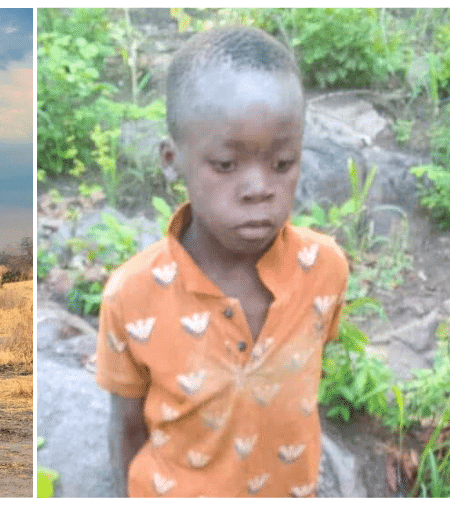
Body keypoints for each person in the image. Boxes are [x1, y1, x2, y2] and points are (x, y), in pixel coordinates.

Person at [94, 25, 349, 498]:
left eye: (282, 162)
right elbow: (126, 426)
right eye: (226, 165)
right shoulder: (131, 295)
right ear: (172, 160)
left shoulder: (325, 269)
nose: (258, 188)